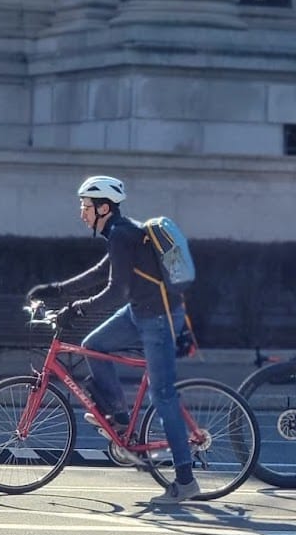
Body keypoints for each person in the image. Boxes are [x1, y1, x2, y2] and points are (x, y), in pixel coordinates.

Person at [25, 176, 197, 505]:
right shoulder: (119, 233)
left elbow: (116, 290)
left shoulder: (121, 233)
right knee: (93, 345)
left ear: (104, 207)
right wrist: (58, 291)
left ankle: (186, 481)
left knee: (162, 397)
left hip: (159, 318)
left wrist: (79, 308)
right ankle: (120, 419)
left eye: (85, 206)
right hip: (140, 312)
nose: (81, 213)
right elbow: (103, 273)